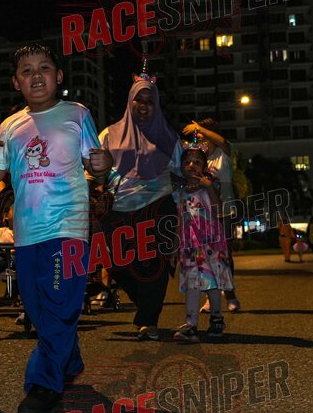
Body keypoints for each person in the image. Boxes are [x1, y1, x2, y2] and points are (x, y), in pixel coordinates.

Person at [0, 43, 112, 413]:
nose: (36, 76)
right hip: (27, 232)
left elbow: (97, 166)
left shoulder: (77, 114)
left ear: (58, 76)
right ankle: (69, 360)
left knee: (60, 304)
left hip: (69, 228)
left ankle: (43, 384)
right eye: (27, 70)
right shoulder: (10, 125)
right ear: (16, 82)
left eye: (44, 68)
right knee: (36, 306)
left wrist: (104, 163)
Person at [99, 70, 181, 341]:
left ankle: (148, 320)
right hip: (120, 208)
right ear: (130, 101)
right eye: (139, 99)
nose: (144, 105)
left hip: (160, 206)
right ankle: (145, 308)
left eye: (150, 101)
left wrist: (181, 220)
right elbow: (94, 171)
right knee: (117, 263)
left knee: (154, 265)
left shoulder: (169, 138)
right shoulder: (108, 135)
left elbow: (180, 176)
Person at [172, 144, 234, 342]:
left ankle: (216, 318)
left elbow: (218, 210)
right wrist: (175, 246)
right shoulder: (179, 193)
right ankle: (191, 324)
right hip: (189, 246)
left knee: (212, 283)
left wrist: (209, 187)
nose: (192, 165)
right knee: (192, 283)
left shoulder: (209, 188)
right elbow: (178, 220)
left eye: (197, 162)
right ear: (181, 167)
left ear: (205, 167)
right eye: (187, 162)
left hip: (211, 244)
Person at [183, 118, 242, 313]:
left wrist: (199, 127)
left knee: (223, 254)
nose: (200, 140)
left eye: (203, 136)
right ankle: (211, 297)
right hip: (201, 214)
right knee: (205, 256)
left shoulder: (223, 153)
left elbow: (222, 141)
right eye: (198, 137)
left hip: (223, 211)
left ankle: (230, 294)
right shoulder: (197, 159)